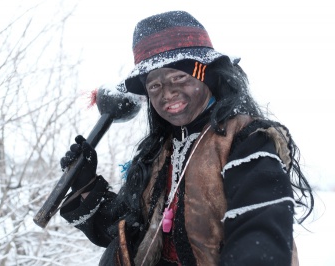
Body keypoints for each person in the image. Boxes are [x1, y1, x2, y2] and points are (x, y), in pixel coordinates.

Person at [59, 10, 314, 266]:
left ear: (208, 76)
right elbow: (125, 234)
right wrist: (87, 186)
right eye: (154, 86)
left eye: (179, 77)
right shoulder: (159, 153)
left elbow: (259, 230)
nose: (167, 93)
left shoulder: (248, 140)